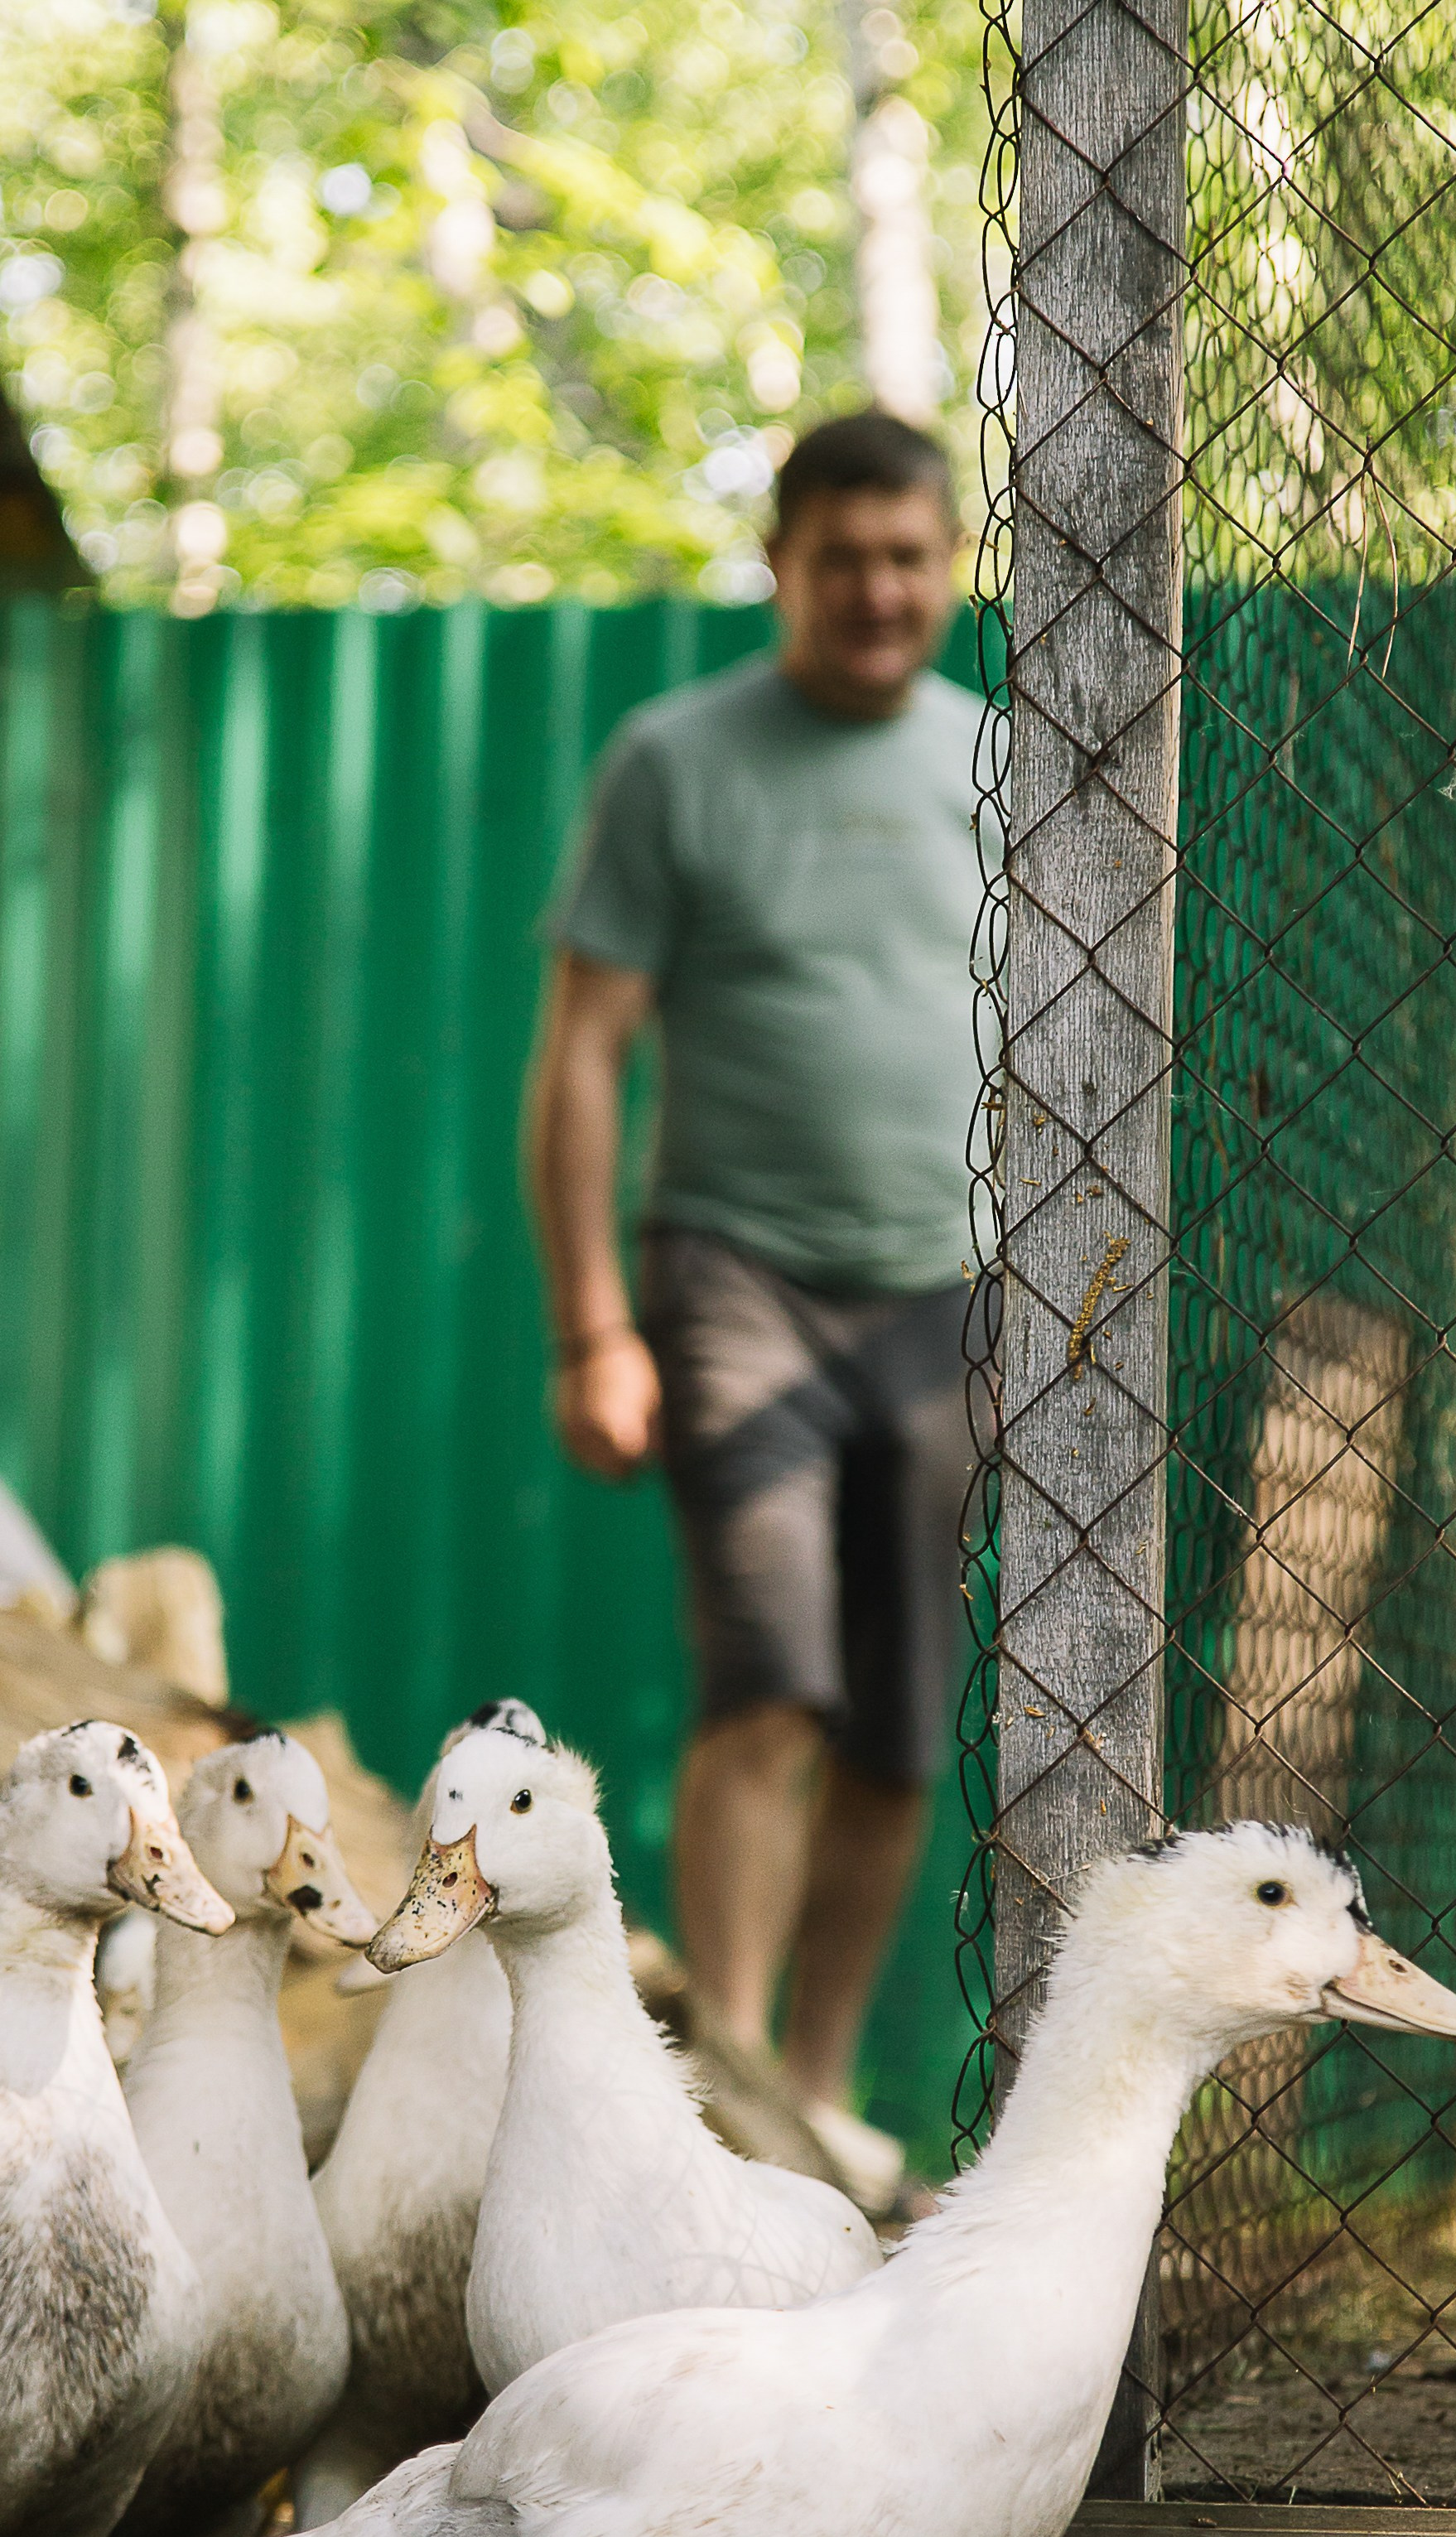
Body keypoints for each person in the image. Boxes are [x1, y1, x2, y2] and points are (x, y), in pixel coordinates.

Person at [528, 408, 985, 2165]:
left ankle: (815, 2092)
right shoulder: (676, 760)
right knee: (768, 1682)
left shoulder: (1002, 763)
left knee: (893, 1729)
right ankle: (714, 2112)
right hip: (732, 1277)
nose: (876, 590)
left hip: (951, 1300)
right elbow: (581, 1053)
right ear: (779, 566)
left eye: (907, 557)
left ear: (943, 567)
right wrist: (592, 1326)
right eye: (840, 557)